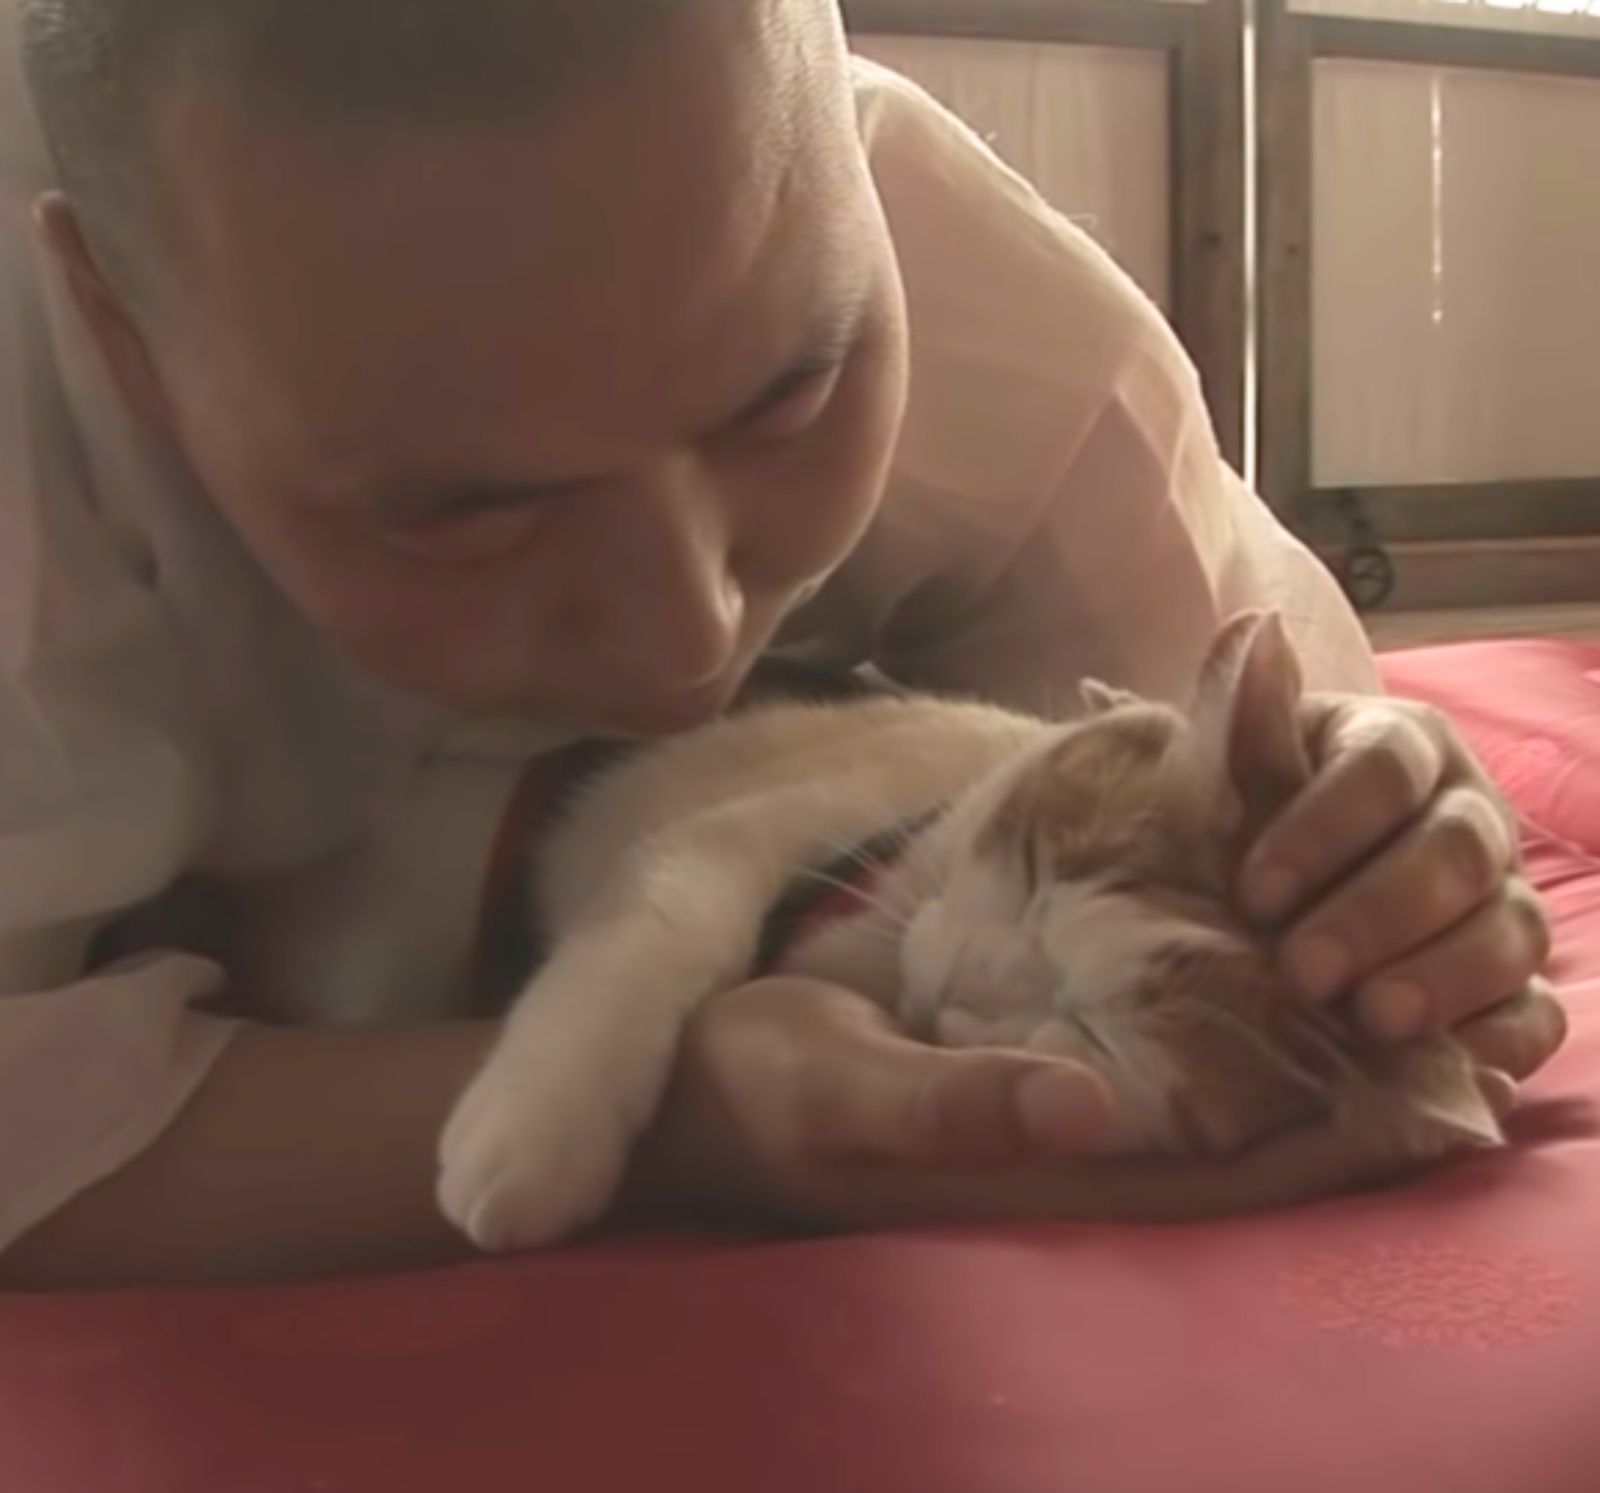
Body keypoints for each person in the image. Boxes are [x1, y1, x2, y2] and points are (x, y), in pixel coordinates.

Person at [0, 0, 1560, 1290]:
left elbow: (1261, 765)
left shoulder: (970, 291)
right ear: (116, 335)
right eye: (461, 516)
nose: (687, 630)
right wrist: (689, 1120)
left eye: (789, 399)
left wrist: (1381, 869)